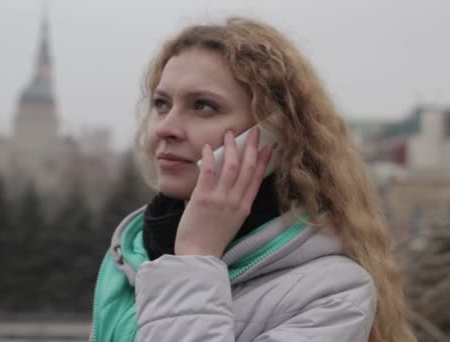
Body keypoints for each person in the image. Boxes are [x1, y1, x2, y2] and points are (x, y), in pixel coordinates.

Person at [90, 17, 416, 342]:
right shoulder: (130, 255)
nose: (164, 128)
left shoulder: (334, 294)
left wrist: (195, 256)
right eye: (162, 104)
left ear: (272, 135)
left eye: (203, 106)